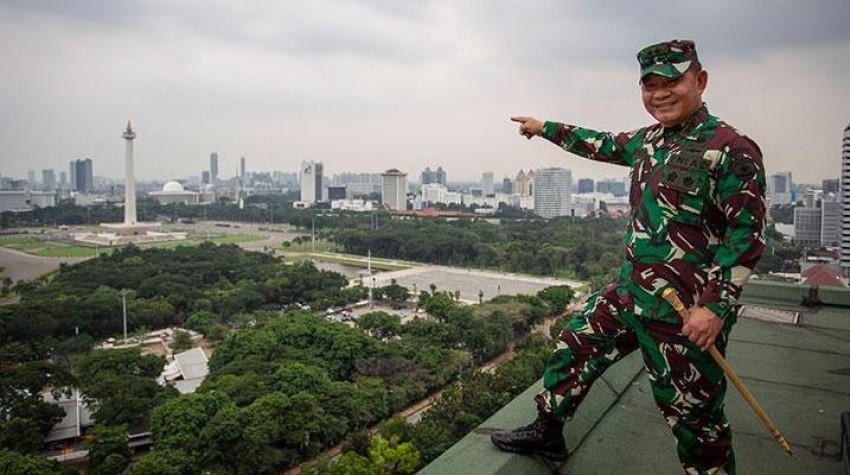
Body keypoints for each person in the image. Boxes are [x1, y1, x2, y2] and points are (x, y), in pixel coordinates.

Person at [491, 39, 766, 474]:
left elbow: (746, 235)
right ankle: (548, 430)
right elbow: (597, 142)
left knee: (695, 419)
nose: (660, 93)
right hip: (631, 294)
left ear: (700, 80)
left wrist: (714, 307)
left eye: (671, 81)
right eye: (650, 85)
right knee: (574, 343)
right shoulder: (649, 141)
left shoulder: (731, 149)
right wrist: (544, 127)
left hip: (685, 311)